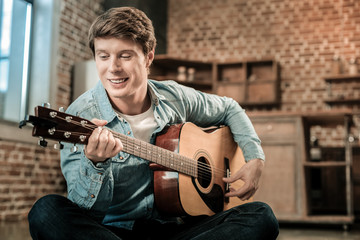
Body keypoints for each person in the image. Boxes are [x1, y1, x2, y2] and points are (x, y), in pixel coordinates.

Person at [28, 6, 279, 240]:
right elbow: (86, 213)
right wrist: (95, 164)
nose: (112, 68)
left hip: (177, 228)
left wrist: (255, 158)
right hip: (114, 231)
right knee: (46, 211)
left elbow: (229, 108)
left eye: (125, 56)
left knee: (261, 216)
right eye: (103, 56)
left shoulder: (174, 96)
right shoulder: (80, 117)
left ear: (148, 58)